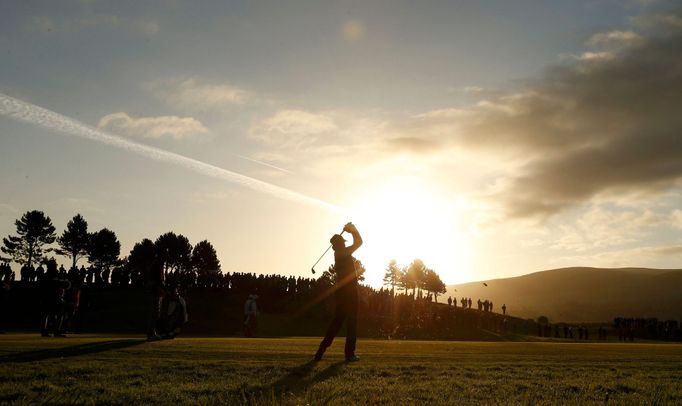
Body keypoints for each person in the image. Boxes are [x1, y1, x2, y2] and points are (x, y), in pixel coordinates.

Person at [315, 222, 363, 362]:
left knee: (337, 322)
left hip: (342, 292)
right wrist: (353, 230)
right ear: (339, 244)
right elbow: (359, 242)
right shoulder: (342, 252)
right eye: (342, 242)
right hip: (349, 292)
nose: (343, 243)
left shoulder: (339, 252)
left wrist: (351, 230)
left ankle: (320, 351)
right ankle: (349, 354)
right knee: (351, 322)